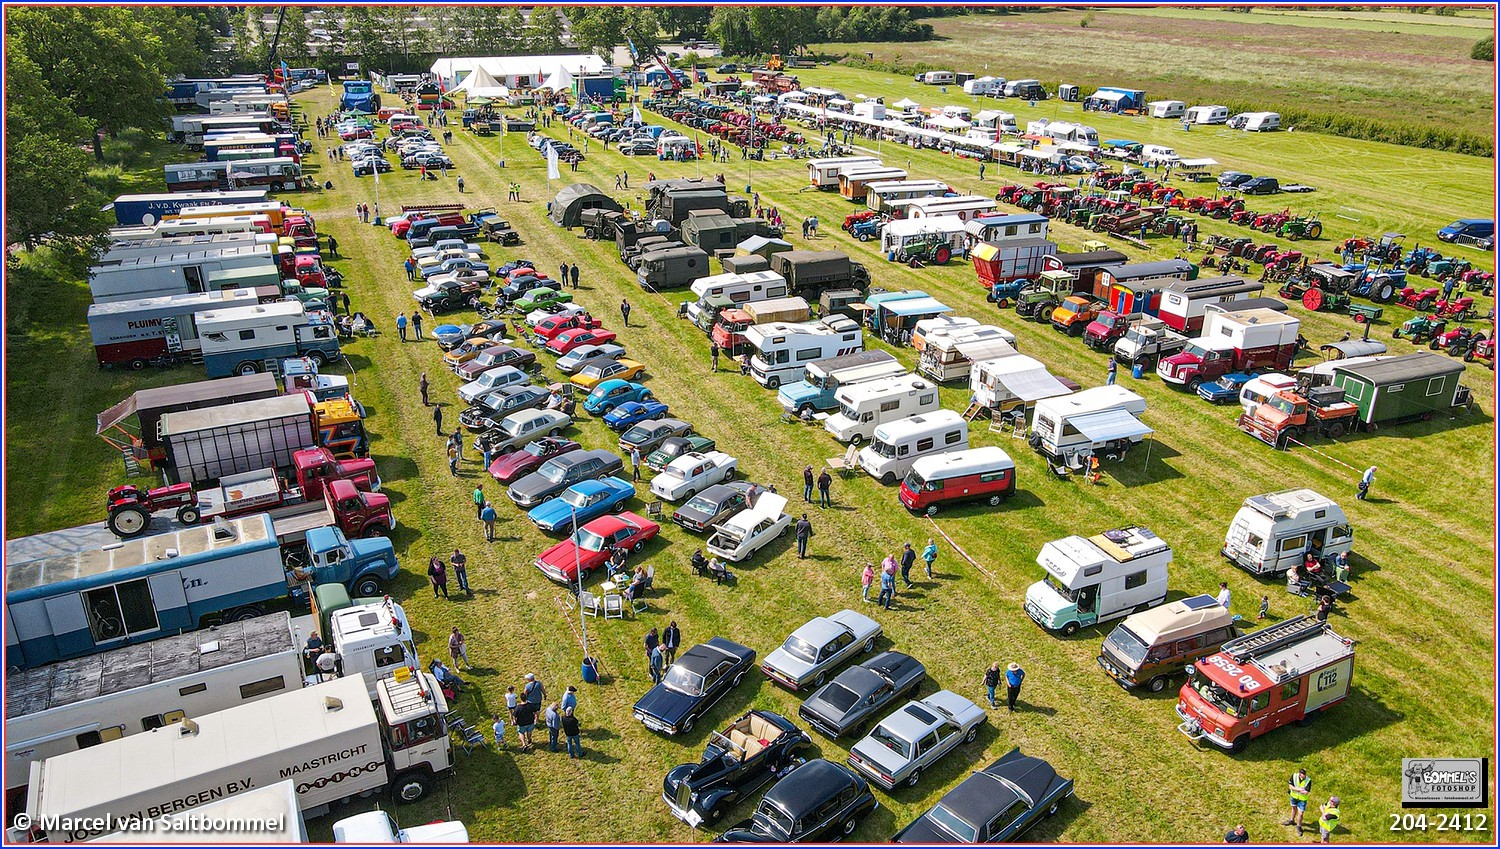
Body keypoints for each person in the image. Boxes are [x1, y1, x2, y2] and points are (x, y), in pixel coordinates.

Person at [1285, 768, 1312, 834]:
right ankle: (1291, 820)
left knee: (1301, 813)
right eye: (1302, 774)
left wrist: (1296, 789)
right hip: (1293, 797)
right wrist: (1300, 790)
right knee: (1293, 808)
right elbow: (1290, 787)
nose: (1303, 775)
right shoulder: (1294, 776)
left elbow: (1306, 792)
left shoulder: (1308, 780)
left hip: (1302, 799)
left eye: (1304, 774)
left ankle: (1299, 826)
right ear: (1299, 773)